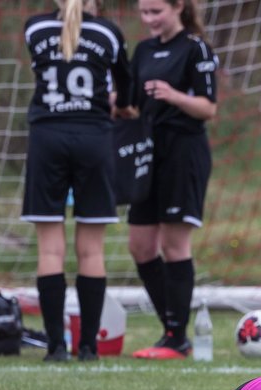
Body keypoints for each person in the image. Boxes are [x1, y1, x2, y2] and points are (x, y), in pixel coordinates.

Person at [23, 0, 132, 362]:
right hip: (94, 140)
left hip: (47, 139)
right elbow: (126, 91)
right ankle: (88, 346)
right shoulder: (108, 33)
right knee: (92, 250)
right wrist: (116, 103)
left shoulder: (34, 29)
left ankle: (56, 346)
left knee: (50, 249)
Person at [126, 0, 218, 360]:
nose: (149, 20)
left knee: (175, 244)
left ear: (178, 7)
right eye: (144, 12)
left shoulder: (196, 49)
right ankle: (171, 327)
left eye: (155, 12)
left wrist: (173, 95)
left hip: (184, 152)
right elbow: (133, 101)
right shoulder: (144, 49)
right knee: (140, 245)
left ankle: (176, 337)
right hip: (149, 152)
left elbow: (208, 108)